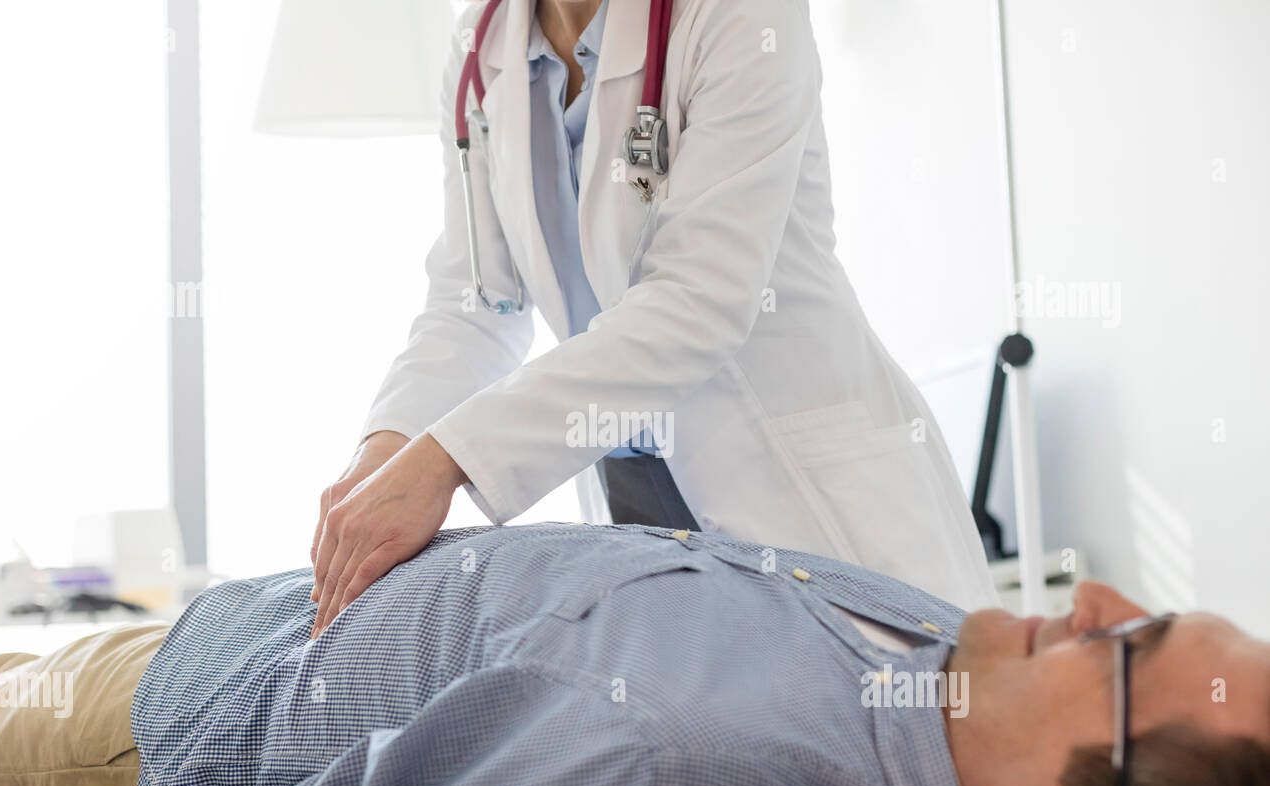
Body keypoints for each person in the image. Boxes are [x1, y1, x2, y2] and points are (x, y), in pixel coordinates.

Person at [307, 0, 998, 641]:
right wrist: (382, 458)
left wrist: (444, 460)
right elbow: (476, 304)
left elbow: (697, 300)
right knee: (708, 762)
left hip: (807, 493)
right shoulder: (481, 45)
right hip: (634, 499)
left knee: (903, 748)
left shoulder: (736, 14)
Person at [0, 523, 1267, 786]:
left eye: (1128, 648)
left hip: (155, 726)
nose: (1095, 598)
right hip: (255, 620)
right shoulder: (949, 654)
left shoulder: (672, 775)